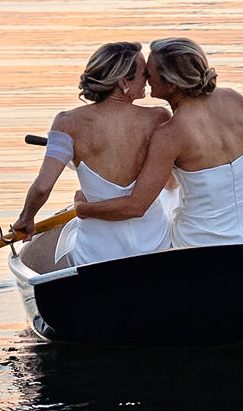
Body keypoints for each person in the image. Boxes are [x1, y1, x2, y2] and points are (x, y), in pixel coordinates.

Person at [71, 36, 243, 248]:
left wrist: (84, 209)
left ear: (171, 84)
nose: (146, 79)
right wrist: (239, 172)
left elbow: (136, 207)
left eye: (150, 73)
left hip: (201, 241)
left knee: (164, 206)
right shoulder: (234, 98)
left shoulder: (170, 134)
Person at [10, 41, 171, 266]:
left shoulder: (66, 123)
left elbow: (42, 187)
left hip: (97, 257)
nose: (148, 79)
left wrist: (26, 218)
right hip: (155, 246)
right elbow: (172, 183)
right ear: (124, 81)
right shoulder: (159, 118)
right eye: (144, 73)